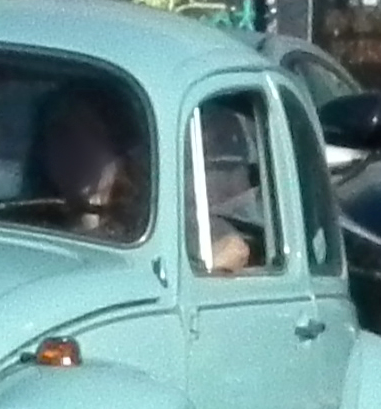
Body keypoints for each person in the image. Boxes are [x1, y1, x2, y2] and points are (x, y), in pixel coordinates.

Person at [29, 85, 250, 273]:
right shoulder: (27, 225)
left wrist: (206, 272)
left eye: (91, 133)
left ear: (119, 146)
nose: (77, 149)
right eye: (62, 135)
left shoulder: (152, 223)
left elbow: (232, 248)